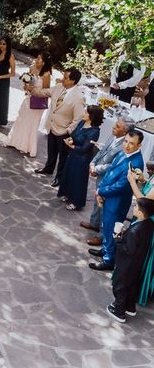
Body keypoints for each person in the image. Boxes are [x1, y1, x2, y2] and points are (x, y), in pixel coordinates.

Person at [89, 130, 144, 271]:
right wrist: (101, 187)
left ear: (139, 145)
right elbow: (110, 172)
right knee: (106, 227)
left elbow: (122, 186)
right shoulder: (122, 153)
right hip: (109, 198)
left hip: (117, 203)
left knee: (112, 230)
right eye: (125, 141)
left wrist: (101, 191)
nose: (127, 145)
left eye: (132, 143)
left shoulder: (136, 163)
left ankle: (109, 260)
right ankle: (105, 250)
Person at [29, 68, 86, 187]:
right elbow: (44, 92)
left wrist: (68, 131)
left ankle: (59, 177)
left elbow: (78, 118)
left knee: (63, 157)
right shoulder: (59, 87)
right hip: (52, 125)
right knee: (51, 150)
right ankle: (48, 168)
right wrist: (32, 89)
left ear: (73, 81)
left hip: (64, 131)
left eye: (65, 78)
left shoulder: (78, 97)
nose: (62, 79)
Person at [81, 117, 134, 246]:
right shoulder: (113, 136)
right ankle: (94, 223)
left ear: (125, 131)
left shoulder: (124, 146)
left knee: (104, 207)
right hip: (100, 175)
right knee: (96, 201)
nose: (113, 127)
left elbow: (113, 165)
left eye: (117, 126)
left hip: (108, 178)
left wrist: (97, 169)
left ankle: (101, 235)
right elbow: (102, 151)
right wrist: (92, 163)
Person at [105, 198, 154, 322]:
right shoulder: (149, 224)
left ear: (141, 213)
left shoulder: (135, 231)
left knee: (119, 285)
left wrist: (118, 239)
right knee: (131, 286)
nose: (134, 208)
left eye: (136, 207)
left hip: (126, 264)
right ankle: (130, 307)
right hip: (137, 264)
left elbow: (128, 250)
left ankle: (119, 311)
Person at [5, 52, 52, 156]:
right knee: (21, 119)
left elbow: (46, 91)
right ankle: (14, 142)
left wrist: (34, 89)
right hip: (28, 98)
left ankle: (25, 147)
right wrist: (26, 86)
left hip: (38, 102)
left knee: (31, 124)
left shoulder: (46, 74)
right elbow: (27, 81)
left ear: (44, 62)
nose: (36, 59)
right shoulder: (32, 68)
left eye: (39, 58)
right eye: (37, 57)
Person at [57, 105, 103, 210]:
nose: (84, 113)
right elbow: (74, 134)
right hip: (72, 154)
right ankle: (67, 194)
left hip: (82, 158)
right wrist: (71, 140)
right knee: (69, 175)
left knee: (78, 179)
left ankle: (76, 202)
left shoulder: (95, 131)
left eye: (86, 112)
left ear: (92, 116)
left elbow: (85, 148)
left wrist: (71, 146)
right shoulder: (82, 122)